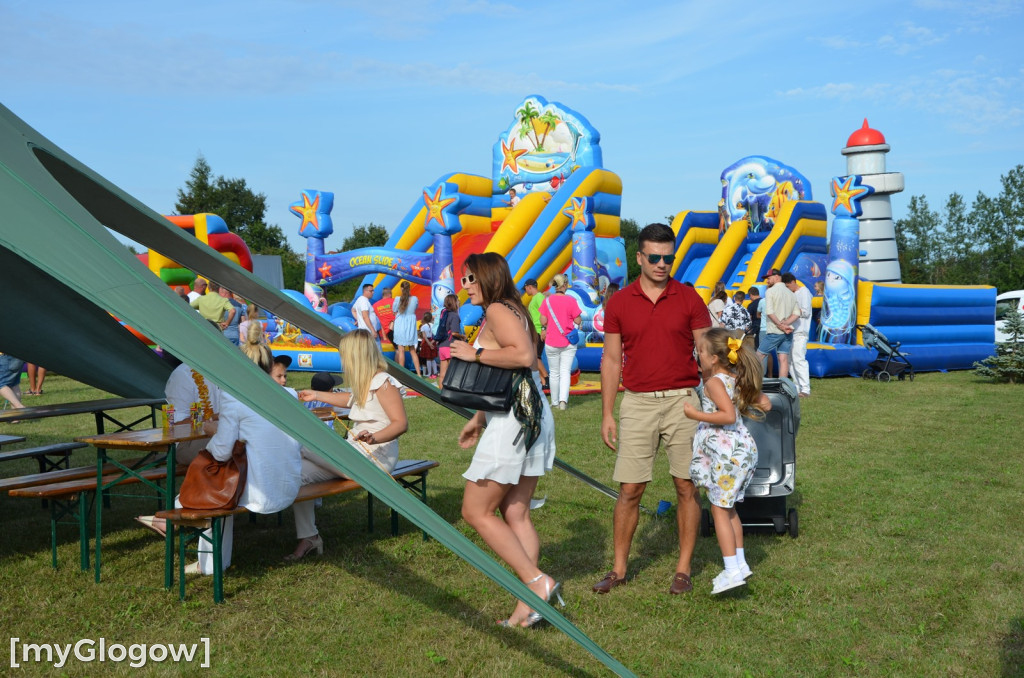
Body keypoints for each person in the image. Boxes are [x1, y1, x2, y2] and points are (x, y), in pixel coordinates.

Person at [596, 223, 711, 596]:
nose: (663, 264)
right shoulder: (619, 302)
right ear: (640, 257)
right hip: (638, 403)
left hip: (683, 402)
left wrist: (724, 398)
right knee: (630, 488)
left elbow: (708, 356)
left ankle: (683, 569)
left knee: (685, 486)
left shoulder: (690, 298)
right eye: (655, 257)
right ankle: (618, 569)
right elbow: (611, 361)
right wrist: (608, 413)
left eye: (669, 258)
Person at [449, 252, 559, 628]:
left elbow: (524, 356)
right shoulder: (513, 306)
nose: (464, 287)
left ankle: (536, 583)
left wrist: (474, 352)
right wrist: (478, 419)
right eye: (463, 281)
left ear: (486, 277)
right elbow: (508, 374)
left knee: (475, 511)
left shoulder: (498, 309)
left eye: (469, 280)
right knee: (515, 513)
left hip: (516, 420)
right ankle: (527, 607)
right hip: (527, 412)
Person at [179, 326, 302, 575]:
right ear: (270, 368)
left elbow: (222, 452)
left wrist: (210, 443)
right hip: (289, 482)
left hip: (261, 489)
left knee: (205, 490)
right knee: (218, 489)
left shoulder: (235, 399)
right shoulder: (290, 394)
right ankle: (210, 561)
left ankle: (209, 564)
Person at [293, 330, 408, 561]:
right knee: (295, 473)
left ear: (356, 355)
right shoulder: (365, 382)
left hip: (376, 457)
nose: (342, 360)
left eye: (344, 355)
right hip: (355, 453)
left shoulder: (383, 383)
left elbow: (401, 423)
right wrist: (316, 394)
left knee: (301, 443)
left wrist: (374, 438)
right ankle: (309, 537)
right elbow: (349, 400)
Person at [683, 328, 770, 594]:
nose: (697, 356)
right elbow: (765, 403)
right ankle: (741, 565)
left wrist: (696, 414)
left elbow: (728, 416)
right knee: (729, 508)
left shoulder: (713, 383)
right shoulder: (736, 378)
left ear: (713, 359)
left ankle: (731, 570)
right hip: (741, 452)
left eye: (700, 352)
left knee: (719, 510)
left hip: (727, 455)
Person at [539, 273, 582, 411]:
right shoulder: (571, 300)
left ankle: (555, 401)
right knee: (565, 372)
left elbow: (543, 321)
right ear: (564, 285)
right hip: (568, 342)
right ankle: (563, 401)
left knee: (554, 372)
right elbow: (578, 320)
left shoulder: (547, 301)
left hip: (551, 341)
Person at [757, 269, 799, 380]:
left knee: (758, 356)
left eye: (768, 278)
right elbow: (797, 314)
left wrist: (780, 325)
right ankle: (783, 386)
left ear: (776, 277)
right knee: (783, 358)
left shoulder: (770, 291)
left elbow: (770, 312)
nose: (767, 281)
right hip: (788, 331)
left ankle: (746, 381)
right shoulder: (791, 293)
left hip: (775, 331)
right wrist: (786, 324)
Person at [785, 273, 813, 398]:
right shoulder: (793, 294)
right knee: (790, 361)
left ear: (792, 282)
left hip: (800, 332)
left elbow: (806, 312)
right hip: (791, 331)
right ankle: (796, 387)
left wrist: (791, 313)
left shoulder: (804, 292)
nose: (787, 288)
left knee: (799, 359)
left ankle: (805, 388)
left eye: (787, 286)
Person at [392, 281, 421, 376]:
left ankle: (401, 375)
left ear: (401, 288)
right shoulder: (415, 299)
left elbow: (394, 310)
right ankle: (419, 374)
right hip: (410, 326)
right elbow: (415, 308)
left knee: (401, 351)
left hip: (400, 325)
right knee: (413, 351)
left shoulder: (397, 299)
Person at [435, 293, 462, 386]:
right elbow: (454, 333)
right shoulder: (454, 316)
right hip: (450, 346)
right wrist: (463, 337)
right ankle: (451, 391)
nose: (459, 302)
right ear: (454, 303)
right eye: (458, 301)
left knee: (442, 374)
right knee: (452, 372)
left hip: (442, 346)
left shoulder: (444, 315)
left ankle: (440, 392)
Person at [417, 312, 438, 377]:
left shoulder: (423, 326)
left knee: (428, 359)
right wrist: (433, 342)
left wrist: (428, 343)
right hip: (433, 340)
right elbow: (435, 334)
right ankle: (435, 372)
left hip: (427, 342)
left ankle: (429, 373)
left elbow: (424, 336)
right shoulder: (433, 325)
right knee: (432, 358)